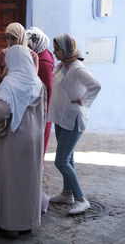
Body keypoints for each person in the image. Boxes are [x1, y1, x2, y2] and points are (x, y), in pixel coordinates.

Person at [0, 45, 46, 239]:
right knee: (29, 180)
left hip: (14, 139)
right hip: (34, 137)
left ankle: (10, 226)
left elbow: (2, 111)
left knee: (11, 181)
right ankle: (28, 223)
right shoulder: (37, 81)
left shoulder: (10, 83)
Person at [48, 34, 101, 214]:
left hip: (73, 119)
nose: (54, 52)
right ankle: (67, 193)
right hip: (62, 117)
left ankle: (81, 198)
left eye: (57, 49)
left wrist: (83, 100)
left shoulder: (77, 68)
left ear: (67, 50)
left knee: (61, 161)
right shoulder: (62, 66)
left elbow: (96, 86)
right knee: (68, 157)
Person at [0, 22, 39, 101]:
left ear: (21, 37)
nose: (9, 41)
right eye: (7, 37)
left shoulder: (32, 56)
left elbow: (31, 81)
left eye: (13, 38)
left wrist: (4, 75)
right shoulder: (2, 54)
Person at [26, 27, 55, 157]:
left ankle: (36, 168)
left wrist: (44, 112)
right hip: (37, 105)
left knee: (38, 140)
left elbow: (48, 89)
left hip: (41, 108)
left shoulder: (43, 62)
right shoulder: (41, 52)